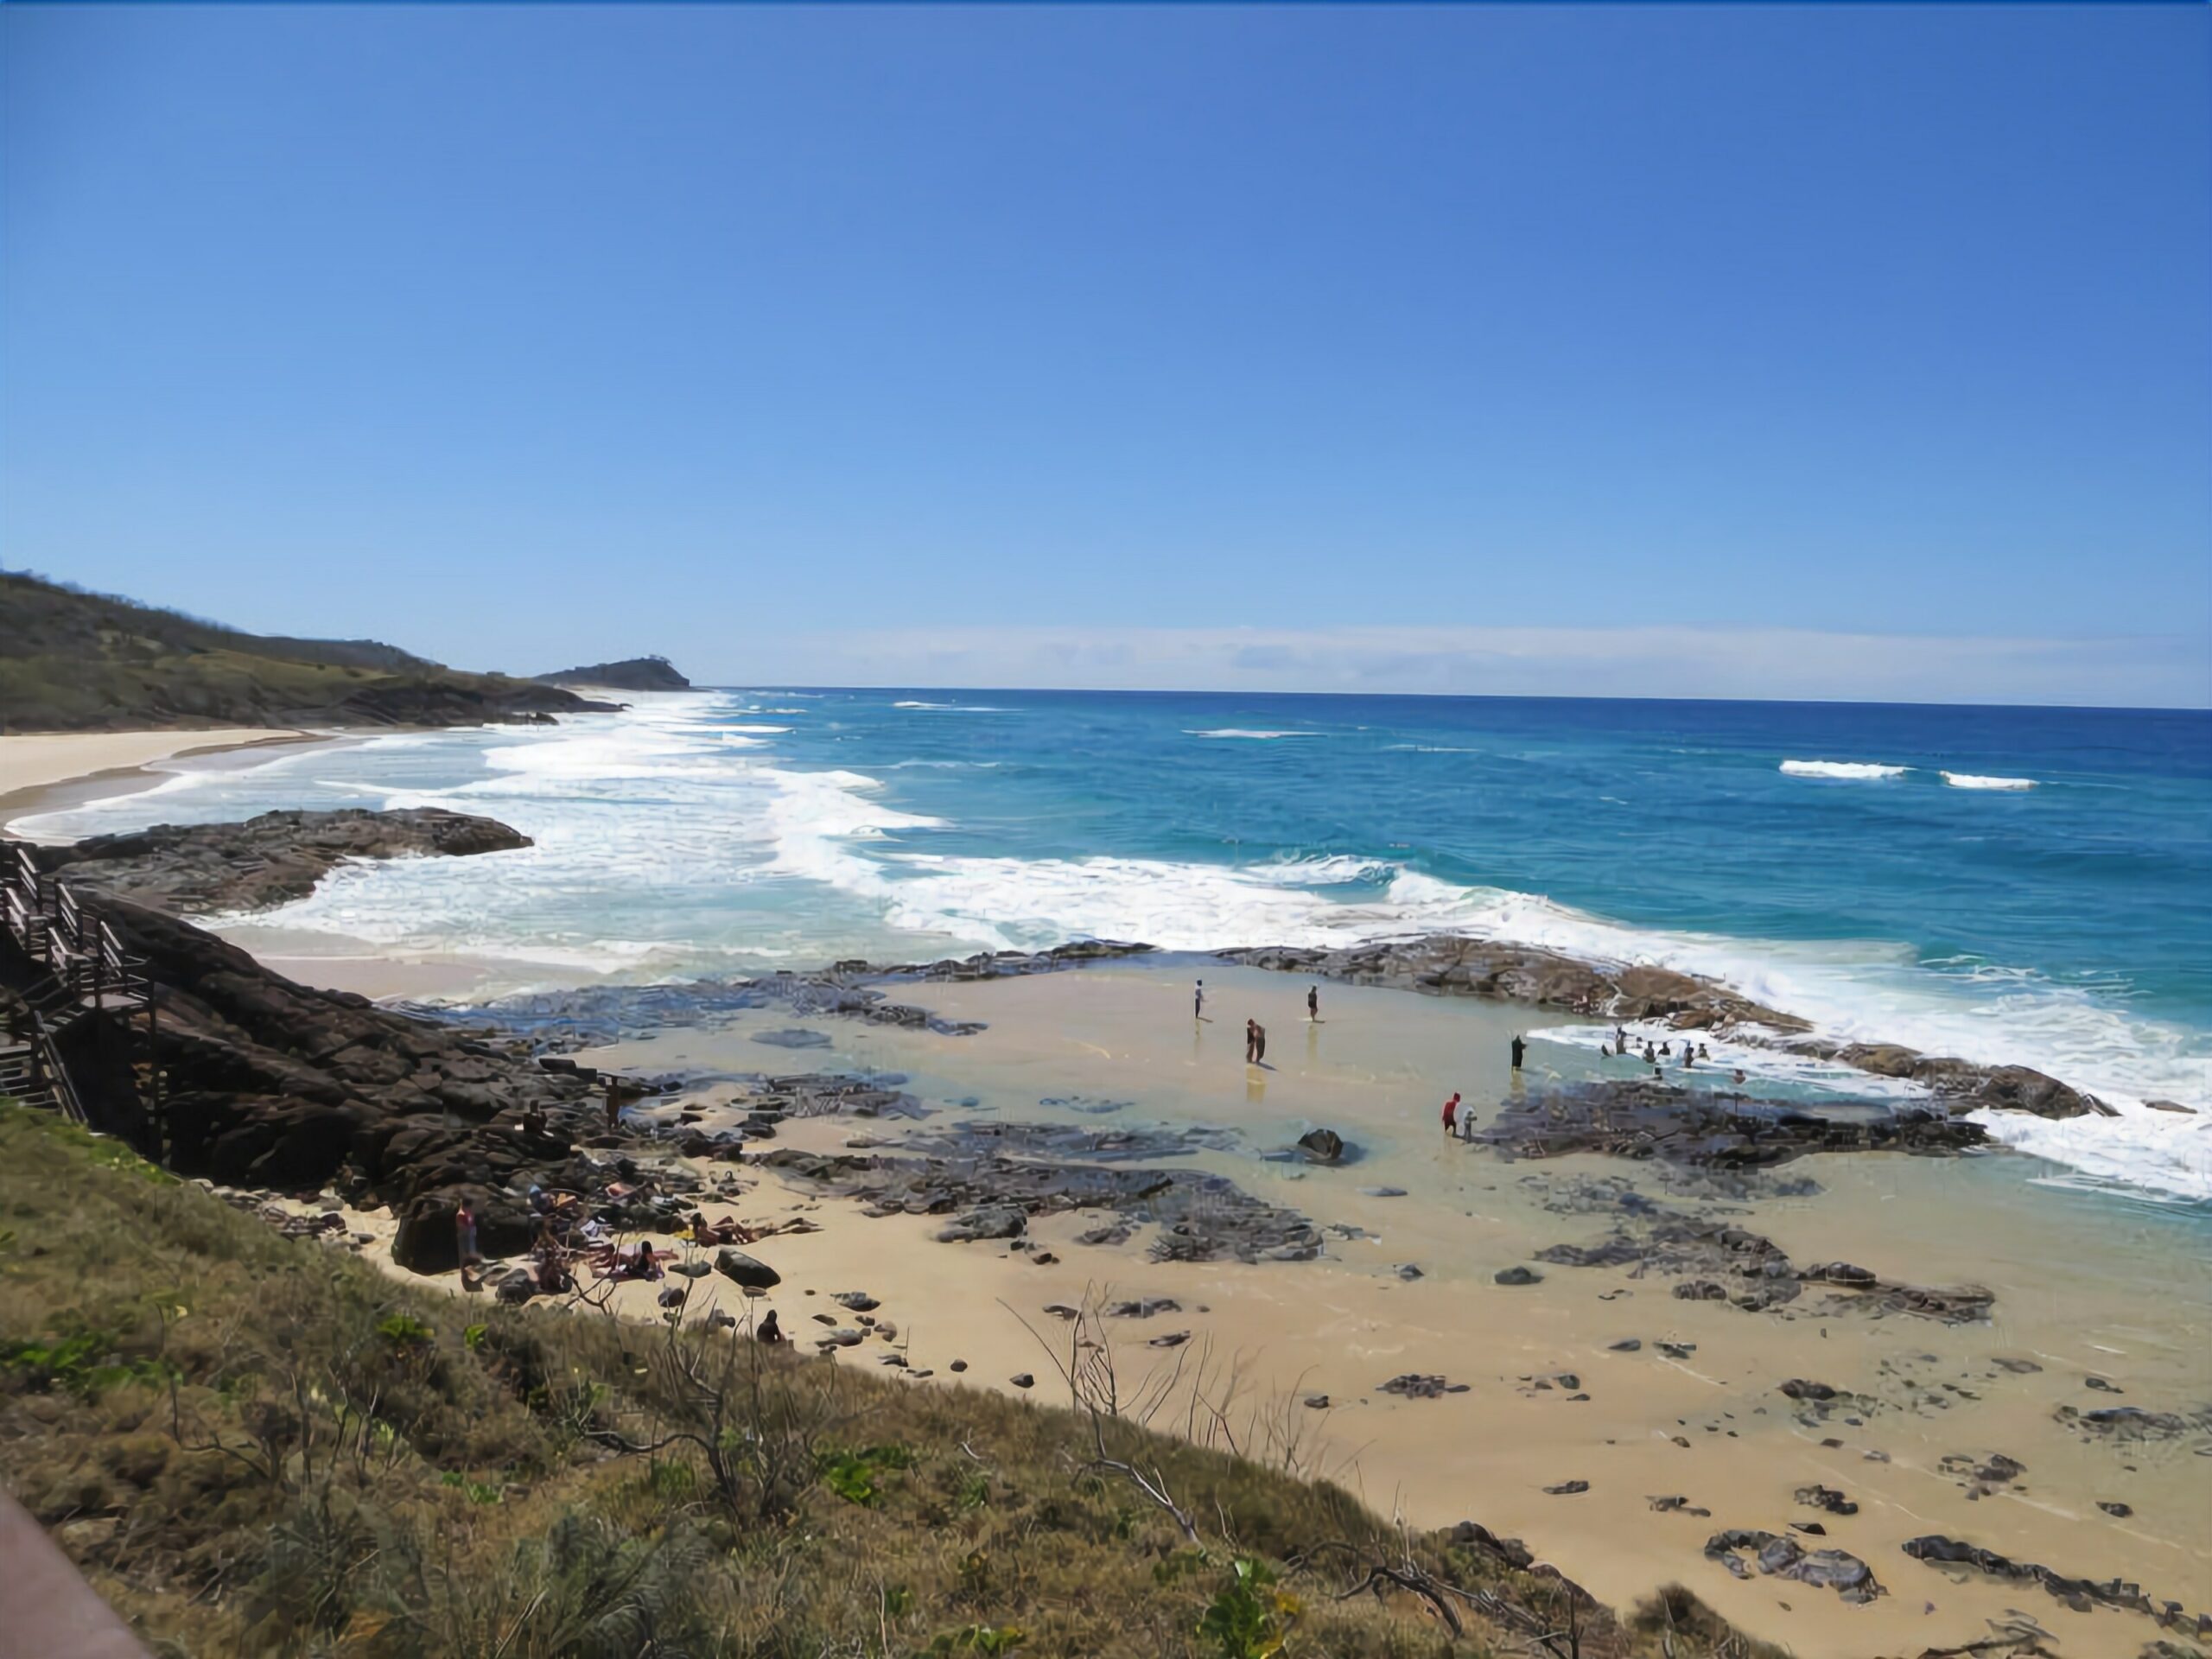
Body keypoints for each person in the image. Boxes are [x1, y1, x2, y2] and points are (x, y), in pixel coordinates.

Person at [454, 1200, 478, 1267]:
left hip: (471, 1233)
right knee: (465, 1248)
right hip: (464, 1234)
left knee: (471, 1247)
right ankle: (466, 1261)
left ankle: (471, 1259)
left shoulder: (470, 1213)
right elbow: (460, 1225)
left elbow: (472, 1222)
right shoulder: (460, 1214)